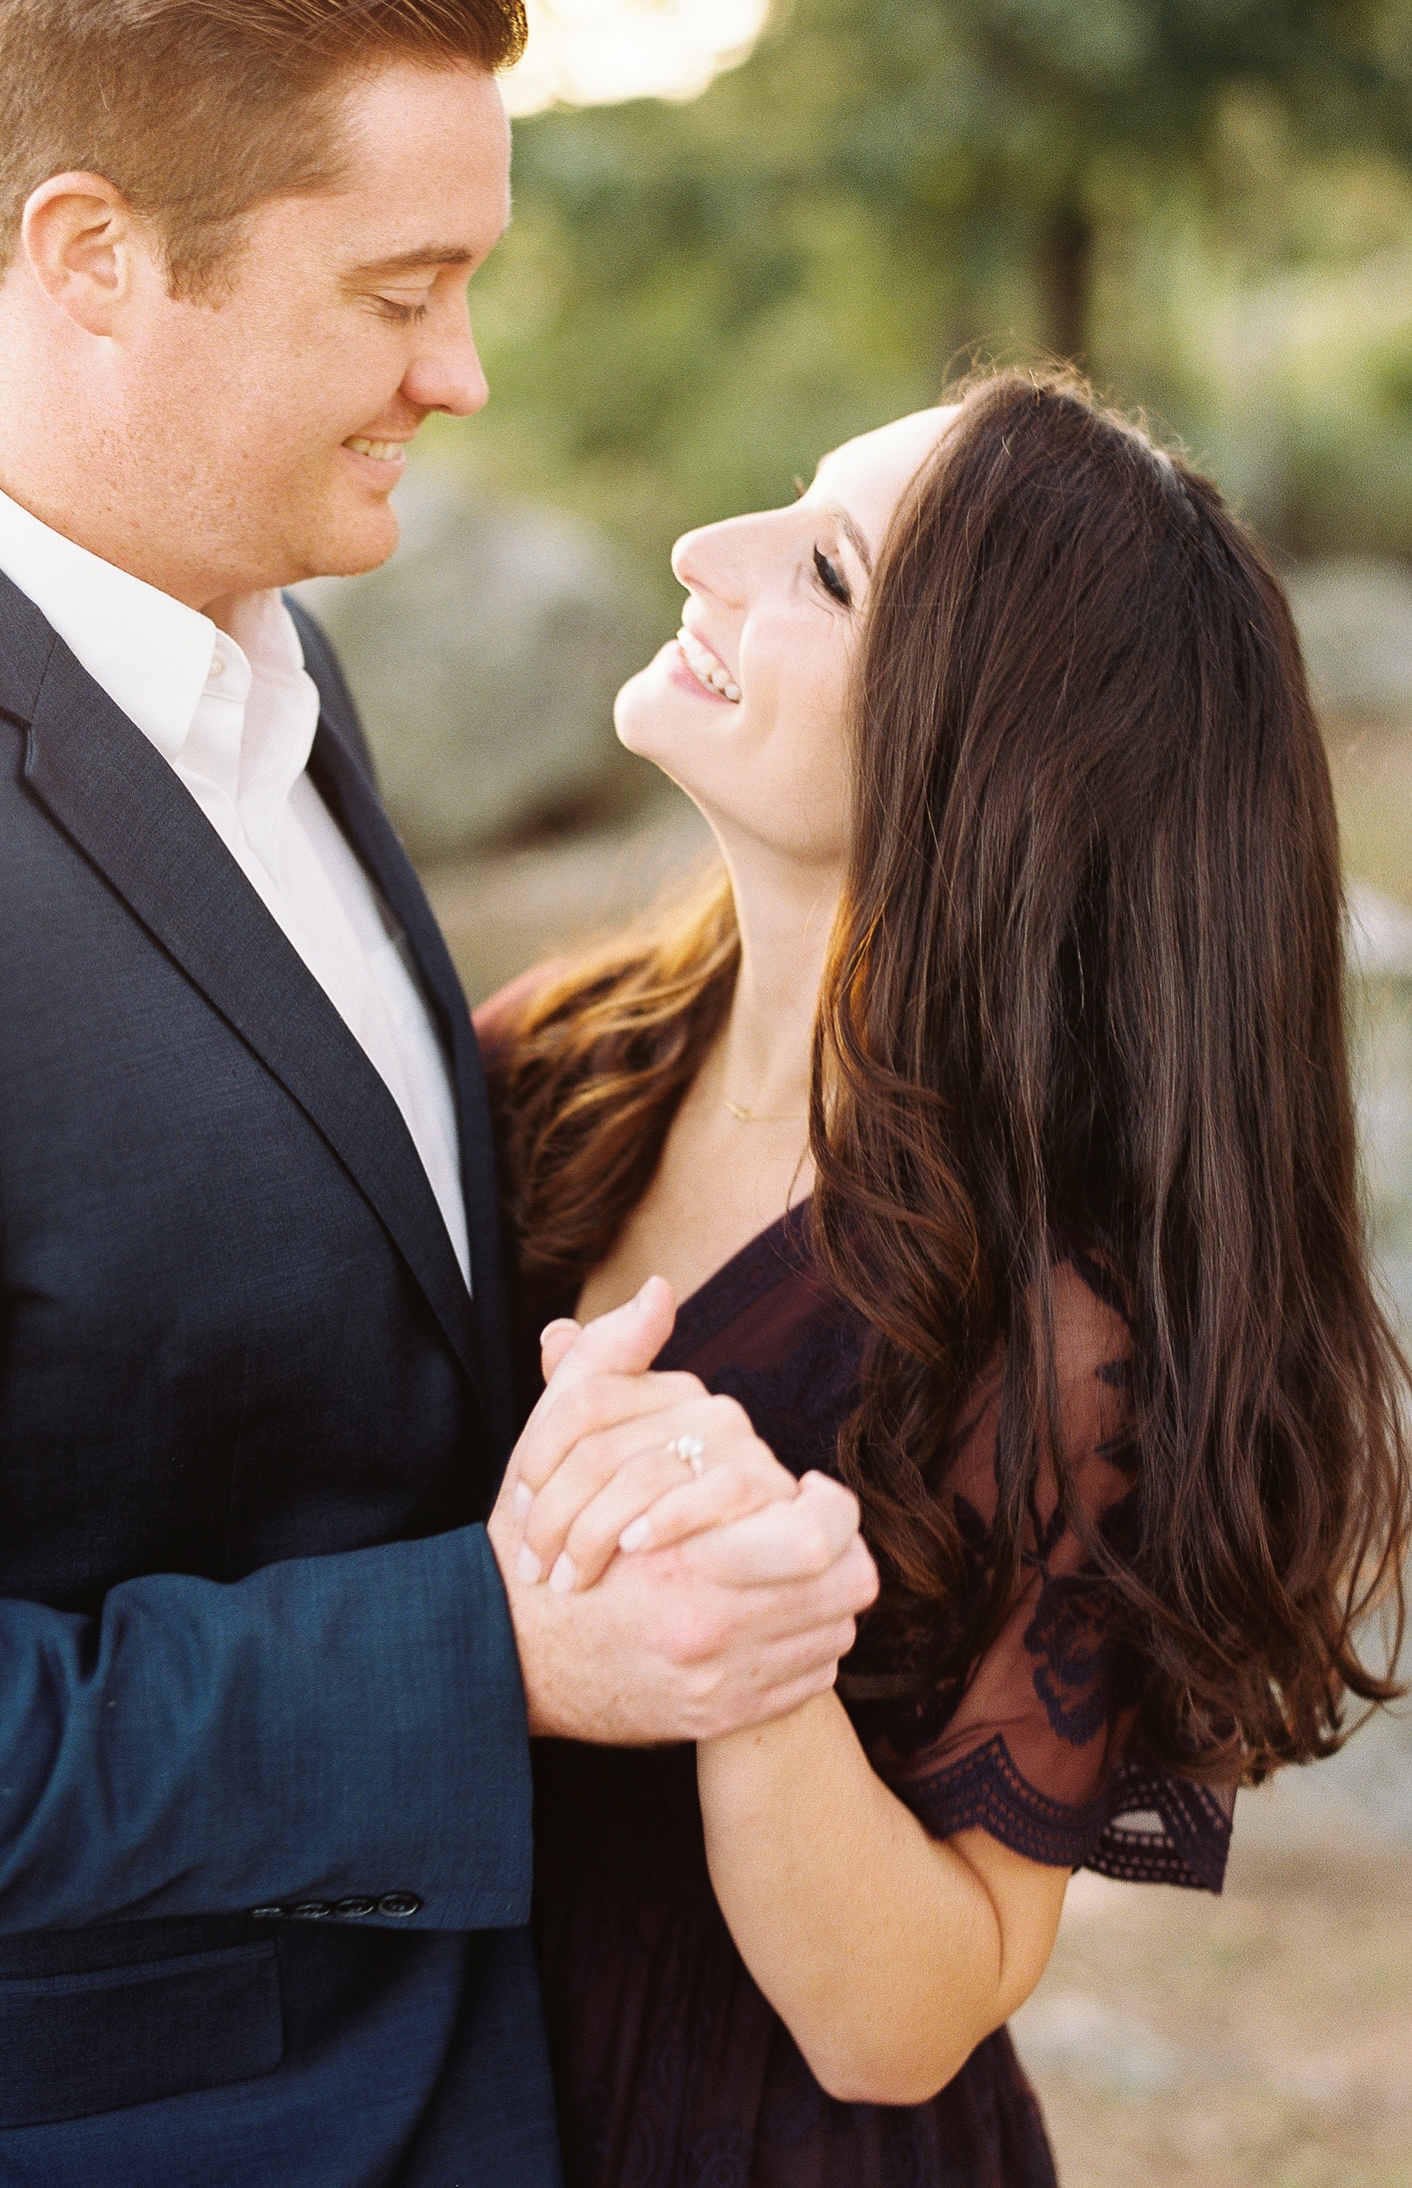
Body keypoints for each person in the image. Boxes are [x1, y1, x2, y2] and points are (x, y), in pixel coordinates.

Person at [0, 0, 877, 2183]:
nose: (465, 372)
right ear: (91, 255)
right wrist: (484, 1651)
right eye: (398, 293)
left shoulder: (231, 613)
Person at [478, 370, 1412, 2187]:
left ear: (989, 763)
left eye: (826, 573)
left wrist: (746, 1641)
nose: (706, 553)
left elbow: (910, 2013)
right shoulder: (550, 1062)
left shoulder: (1069, 1345)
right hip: (428, 2099)